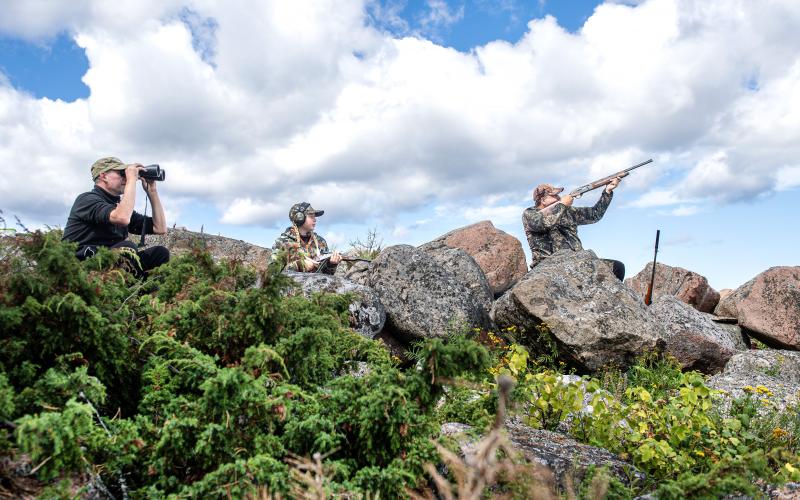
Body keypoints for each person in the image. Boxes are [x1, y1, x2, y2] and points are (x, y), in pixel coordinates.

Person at [63, 157, 169, 278]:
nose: (125, 177)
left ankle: (143, 294)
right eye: (122, 174)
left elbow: (160, 228)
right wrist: (131, 180)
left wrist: (152, 191)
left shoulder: (119, 207)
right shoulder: (86, 199)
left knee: (160, 253)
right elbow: (122, 218)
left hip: (107, 266)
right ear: (103, 176)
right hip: (80, 267)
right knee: (127, 248)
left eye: (126, 174)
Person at [522, 177, 626, 280]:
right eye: (554, 195)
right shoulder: (530, 213)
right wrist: (562, 205)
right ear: (543, 200)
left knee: (617, 267)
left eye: (558, 195)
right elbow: (543, 224)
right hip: (549, 266)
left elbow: (595, 214)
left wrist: (607, 191)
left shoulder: (567, 211)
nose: (559, 197)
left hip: (578, 262)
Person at [271, 202, 341, 273]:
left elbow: (327, 276)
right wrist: (298, 266)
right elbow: (272, 274)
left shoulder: (320, 242)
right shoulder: (282, 243)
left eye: (315, 216)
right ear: (300, 218)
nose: (315, 219)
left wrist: (331, 265)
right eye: (311, 216)